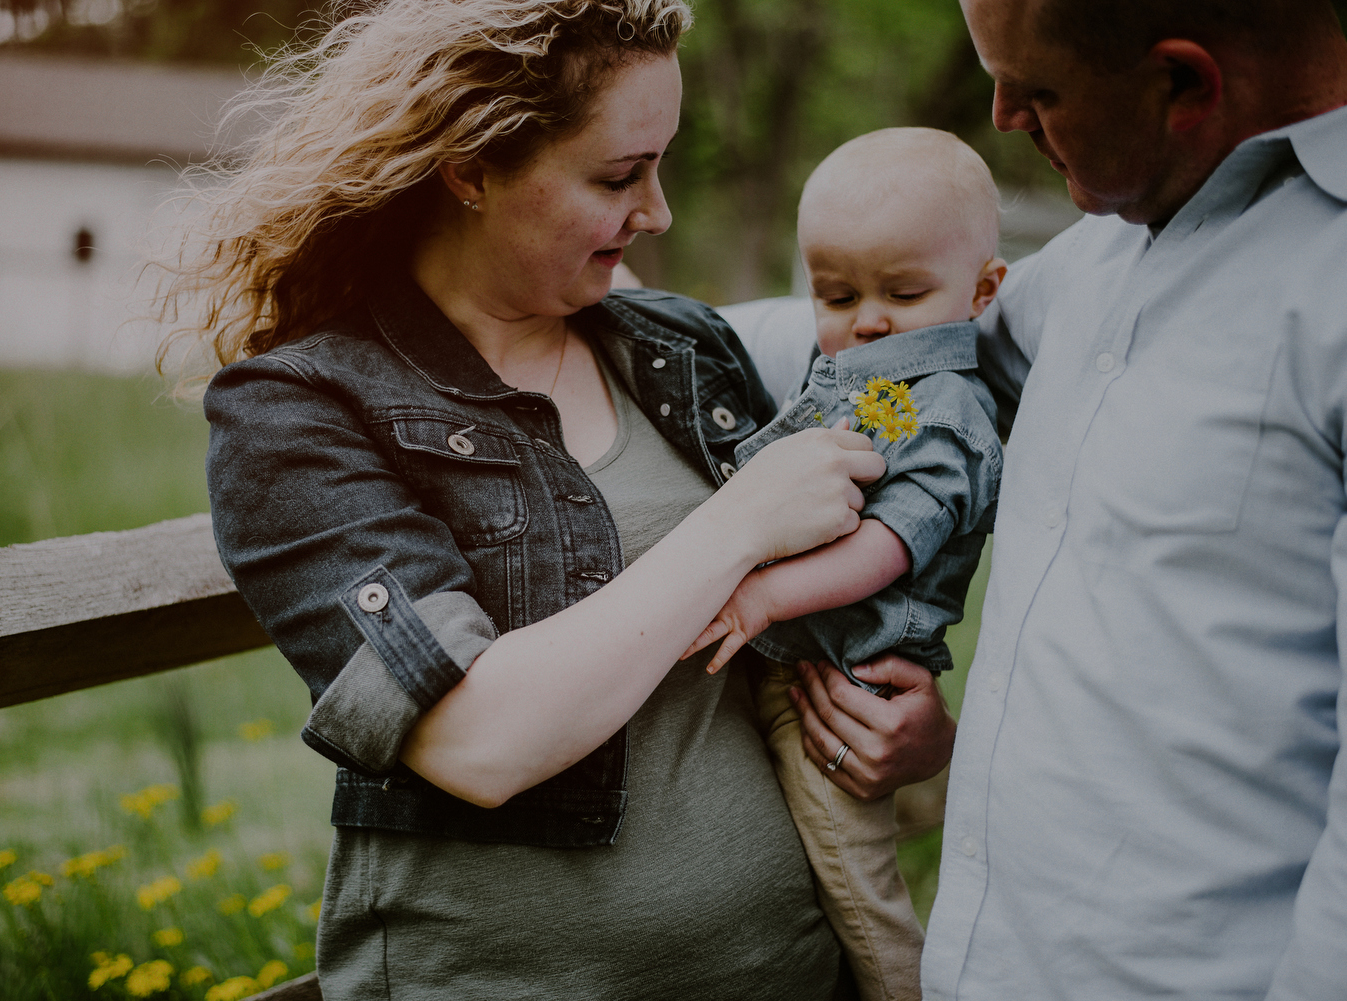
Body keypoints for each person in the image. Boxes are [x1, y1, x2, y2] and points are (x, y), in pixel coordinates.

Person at [162, 1, 933, 998]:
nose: (656, 212)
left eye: (661, 166)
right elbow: (477, 740)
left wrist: (908, 733)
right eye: (619, 175)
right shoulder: (298, 411)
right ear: (471, 168)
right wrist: (739, 523)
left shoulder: (679, 345)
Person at [773, 1, 1347, 998]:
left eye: (1037, 90)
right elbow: (884, 350)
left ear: (1183, 86)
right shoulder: (1092, 259)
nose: (1000, 117)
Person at [686, 127, 1005, 1001]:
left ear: (983, 290)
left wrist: (760, 596)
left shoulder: (937, 411)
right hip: (801, 658)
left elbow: (885, 545)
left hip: (844, 683)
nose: (867, 318)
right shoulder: (867, 379)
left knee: (858, 887)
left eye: (903, 292)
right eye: (836, 293)